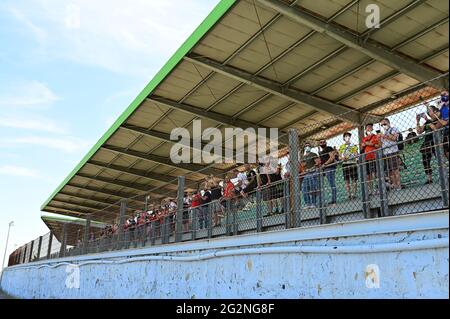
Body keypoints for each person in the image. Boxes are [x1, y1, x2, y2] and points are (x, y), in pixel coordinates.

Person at [416, 105, 440, 185]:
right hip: (427, 142)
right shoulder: (428, 122)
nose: (428, 112)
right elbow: (419, 131)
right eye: (428, 111)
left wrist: (428, 122)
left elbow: (435, 128)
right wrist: (418, 121)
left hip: (436, 141)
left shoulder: (438, 118)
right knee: (425, 161)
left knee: (439, 159)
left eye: (430, 111)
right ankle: (429, 179)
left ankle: (443, 174)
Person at [380, 118, 402, 190]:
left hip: (393, 151)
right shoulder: (383, 132)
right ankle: (394, 185)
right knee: (390, 171)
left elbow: (394, 138)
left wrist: (384, 136)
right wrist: (379, 138)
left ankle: (398, 186)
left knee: (395, 169)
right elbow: (381, 144)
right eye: (382, 125)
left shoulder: (394, 129)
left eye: (385, 124)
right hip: (385, 153)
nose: (383, 125)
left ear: (389, 123)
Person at [361, 123, 381, 195]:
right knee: (368, 175)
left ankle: (377, 188)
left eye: (370, 127)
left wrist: (369, 144)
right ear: (365, 129)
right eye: (368, 127)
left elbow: (379, 145)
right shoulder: (364, 138)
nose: (369, 128)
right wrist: (369, 144)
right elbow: (362, 146)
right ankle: (370, 190)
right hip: (366, 158)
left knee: (375, 174)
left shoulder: (375, 136)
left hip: (374, 157)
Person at [338, 132, 359, 199]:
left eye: (348, 136)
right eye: (346, 136)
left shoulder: (353, 145)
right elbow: (339, 156)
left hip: (352, 163)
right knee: (347, 180)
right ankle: (349, 194)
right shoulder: (342, 146)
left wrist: (353, 158)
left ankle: (354, 194)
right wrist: (342, 158)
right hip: (345, 164)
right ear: (344, 138)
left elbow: (356, 154)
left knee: (354, 180)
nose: (347, 137)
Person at [301, 142, 320, 208]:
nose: (307, 147)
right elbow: (302, 165)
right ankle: (307, 204)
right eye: (306, 146)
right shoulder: (303, 156)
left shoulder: (313, 154)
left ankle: (313, 203)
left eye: (308, 146)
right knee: (304, 189)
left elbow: (318, 162)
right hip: (306, 174)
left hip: (313, 172)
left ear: (310, 147)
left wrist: (311, 168)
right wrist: (305, 170)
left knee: (313, 188)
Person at [318, 139, 337, 205]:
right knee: (324, 185)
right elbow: (321, 161)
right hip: (324, 169)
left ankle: (334, 200)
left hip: (329, 167)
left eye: (323, 142)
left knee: (332, 184)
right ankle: (325, 201)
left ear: (326, 142)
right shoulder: (321, 152)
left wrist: (325, 164)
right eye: (321, 142)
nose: (322, 143)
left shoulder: (328, 148)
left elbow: (332, 157)